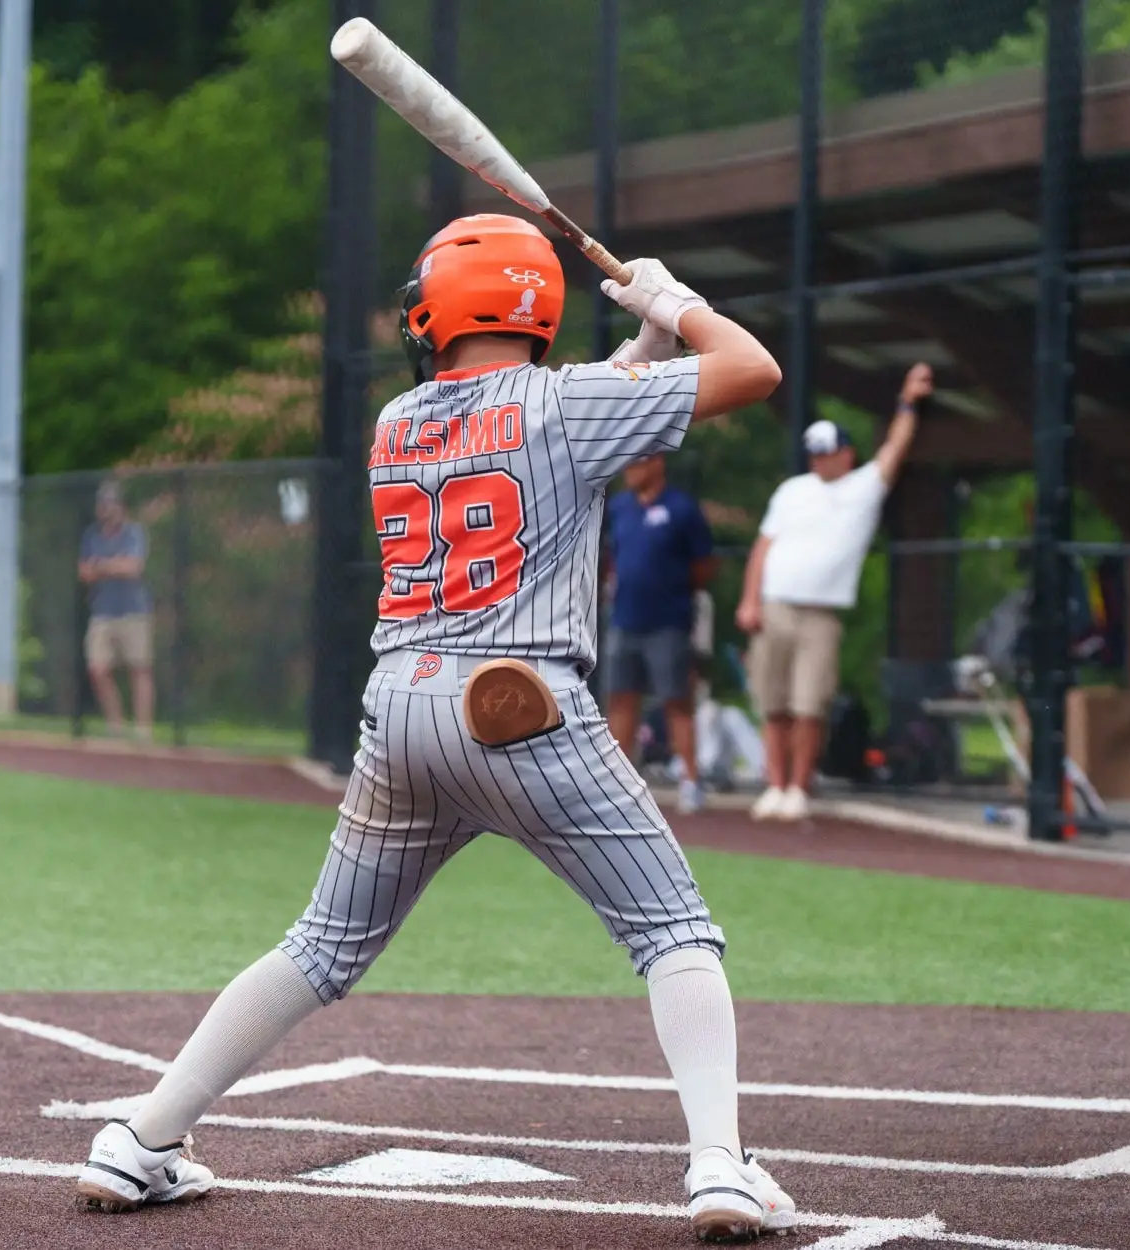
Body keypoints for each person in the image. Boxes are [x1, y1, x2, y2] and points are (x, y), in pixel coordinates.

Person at [73, 215, 795, 1241]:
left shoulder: (398, 420)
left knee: (318, 948)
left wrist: (644, 345)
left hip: (401, 711)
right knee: (672, 932)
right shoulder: (564, 403)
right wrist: (673, 306)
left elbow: (571, 416)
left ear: (441, 313)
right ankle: (720, 1164)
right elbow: (752, 369)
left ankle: (141, 1138)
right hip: (522, 705)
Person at [737, 363, 932, 821]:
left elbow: (895, 448)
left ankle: (799, 788)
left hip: (821, 614)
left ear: (846, 453)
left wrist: (907, 402)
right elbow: (763, 547)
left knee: (810, 705)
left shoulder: (864, 488)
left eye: (827, 453)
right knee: (773, 702)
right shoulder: (792, 490)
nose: (820, 461)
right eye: (814, 454)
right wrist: (750, 600)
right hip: (776, 606)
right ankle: (775, 785)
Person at [604, 453, 718, 813]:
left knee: (676, 701)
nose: (629, 470)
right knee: (621, 699)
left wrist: (673, 591)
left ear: (657, 463)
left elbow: (704, 566)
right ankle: (620, 782)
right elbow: (613, 557)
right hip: (624, 619)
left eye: (636, 462)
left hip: (668, 622)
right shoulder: (619, 508)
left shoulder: (682, 508)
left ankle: (690, 780)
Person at [78, 480, 154, 742]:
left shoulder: (133, 533)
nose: (106, 509)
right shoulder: (92, 536)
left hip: (133, 611)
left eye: (111, 503)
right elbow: (84, 573)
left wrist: (101, 566)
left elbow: (133, 568)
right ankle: (116, 726)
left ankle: (143, 729)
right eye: (103, 504)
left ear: (121, 506)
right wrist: (112, 566)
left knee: (139, 668)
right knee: (97, 669)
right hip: (102, 612)